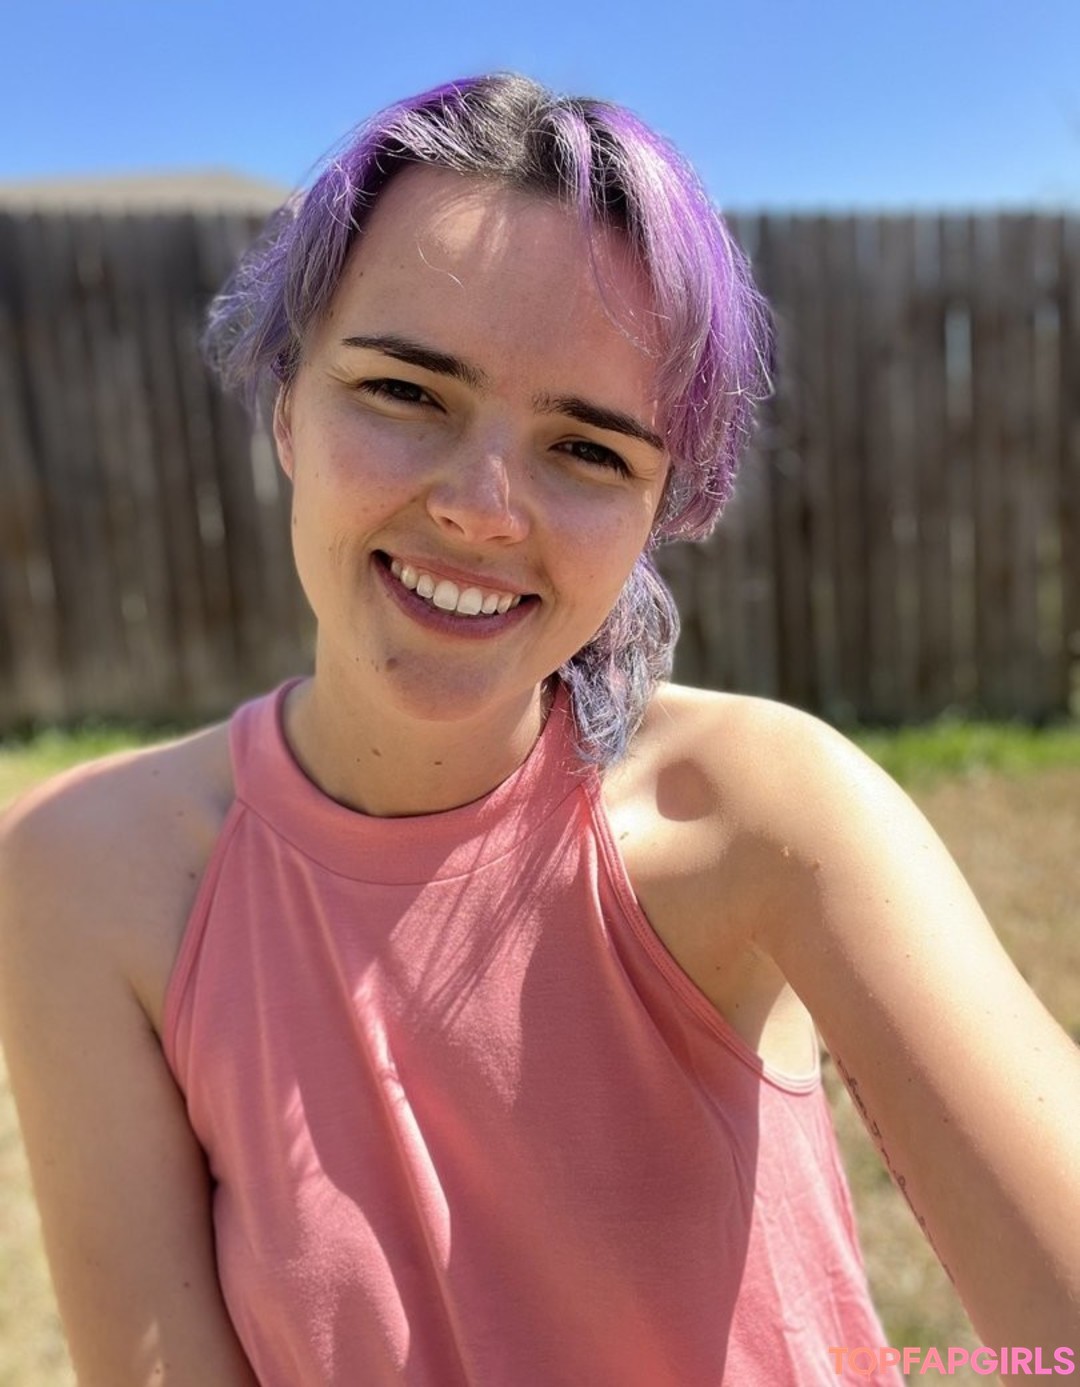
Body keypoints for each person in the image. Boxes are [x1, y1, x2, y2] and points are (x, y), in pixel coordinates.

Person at [0, 73, 1077, 1387]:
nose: (482, 508)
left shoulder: (766, 818)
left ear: (657, 512)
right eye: (405, 391)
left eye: (590, 450)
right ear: (288, 405)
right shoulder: (83, 876)